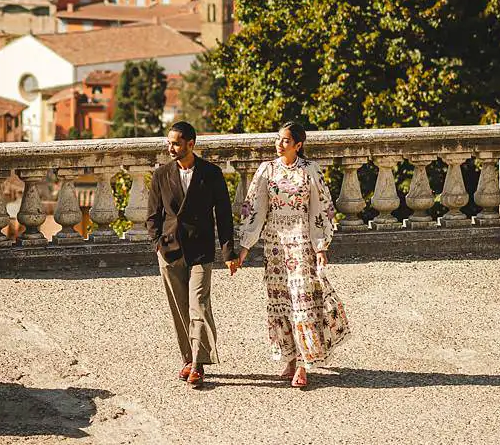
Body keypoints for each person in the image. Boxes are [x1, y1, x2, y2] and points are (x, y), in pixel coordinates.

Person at [230, 120, 349, 388]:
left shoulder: (310, 171)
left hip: (302, 243)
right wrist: (245, 248)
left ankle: (305, 363)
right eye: (278, 138)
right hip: (275, 245)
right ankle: (290, 358)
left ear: (298, 144)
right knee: (281, 302)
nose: (279, 143)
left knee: (302, 302)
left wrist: (321, 247)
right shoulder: (267, 170)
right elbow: (255, 209)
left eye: (285, 140)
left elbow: (321, 209)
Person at [145, 121, 236, 389]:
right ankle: (187, 357)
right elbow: (152, 214)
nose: (170, 148)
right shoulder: (161, 174)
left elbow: (224, 215)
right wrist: (157, 243)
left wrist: (228, 252)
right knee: (180, 308)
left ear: (191, 144)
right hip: (170, 249)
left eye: (175, 143)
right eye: (169, 143)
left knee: (199, 304)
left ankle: (199, 362)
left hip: (200, 250)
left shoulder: (211, 173)